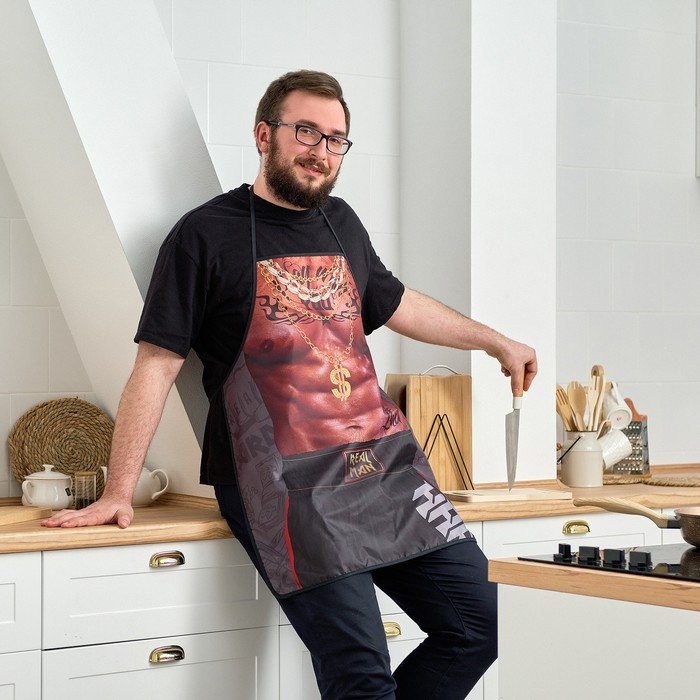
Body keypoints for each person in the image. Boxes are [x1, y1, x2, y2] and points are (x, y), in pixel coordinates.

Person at [44, 70, 537, 699]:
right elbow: (156, 365)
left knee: (483, 623)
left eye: (335, 140)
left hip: (385, 469)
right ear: (264, 135)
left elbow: (395, 301)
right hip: (285, 488)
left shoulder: (342, 223)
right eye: (306, 131)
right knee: (361, 675)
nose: (321, 151)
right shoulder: (205, 235)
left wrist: (495, 340)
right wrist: (119, 491)